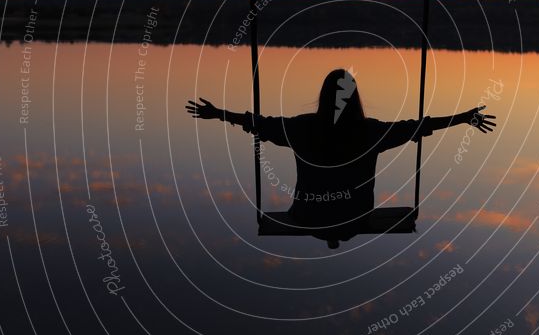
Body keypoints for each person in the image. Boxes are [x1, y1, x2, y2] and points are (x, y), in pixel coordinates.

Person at [186, 69, 496, 239]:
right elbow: (417, 127)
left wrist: (218, 113)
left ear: (323, 97)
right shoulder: (371, 132)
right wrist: (463, 117)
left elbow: (258, 124)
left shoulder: (302, 128)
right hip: (353, 219)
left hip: (309, 217)